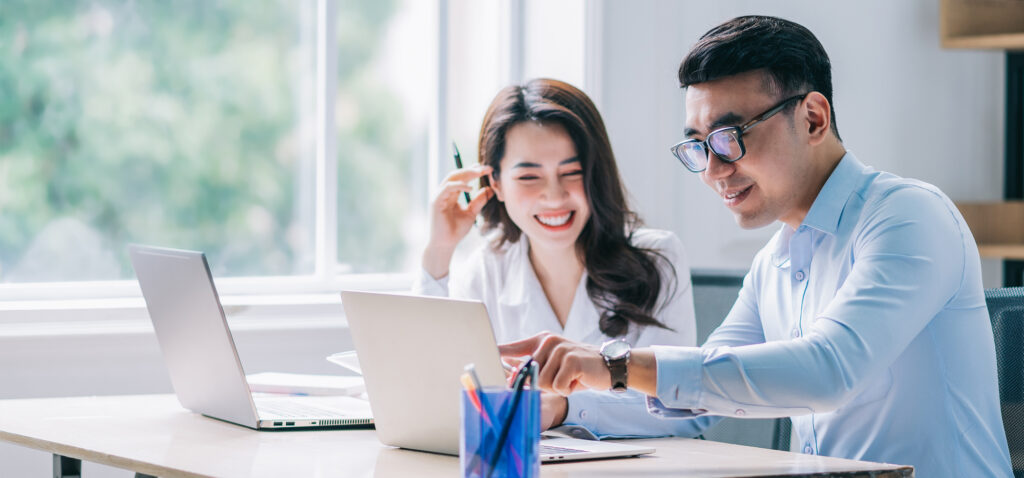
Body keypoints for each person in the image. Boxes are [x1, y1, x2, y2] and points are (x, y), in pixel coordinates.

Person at [499, 16, 1013, 477]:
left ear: (813, 118)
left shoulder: (907, 216)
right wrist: (567, 405)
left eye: (729, 137)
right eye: (699, 147)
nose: (713, 170)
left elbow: (828, 371)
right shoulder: (776, 259)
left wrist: (616, 365)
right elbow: (701, 396)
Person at [414, 78, 711, 438]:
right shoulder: (485, 269)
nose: (554, 197)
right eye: (528, 176)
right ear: (495, 184)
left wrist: (565, 407)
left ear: (595, 174)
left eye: (571, 173)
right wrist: (439, 250)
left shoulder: (657, 258)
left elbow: (684, 408)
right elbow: (426, 386)